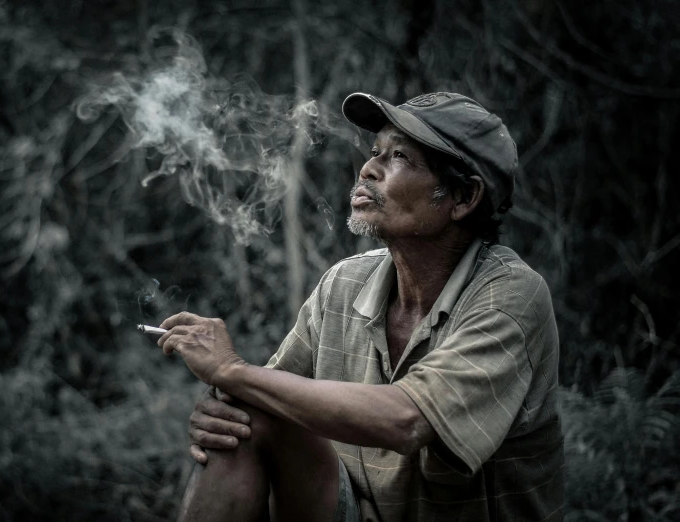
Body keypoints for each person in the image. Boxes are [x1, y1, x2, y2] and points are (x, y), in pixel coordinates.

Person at [157, 92, 564, 522]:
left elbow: (407, 421)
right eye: (375, 153)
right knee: (248, 416)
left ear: (462, 197)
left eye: (400, 157)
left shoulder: (510, 297)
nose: (368, 169)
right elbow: (265, 398)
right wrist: (225, 408)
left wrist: (232, 372)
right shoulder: (344, 284)